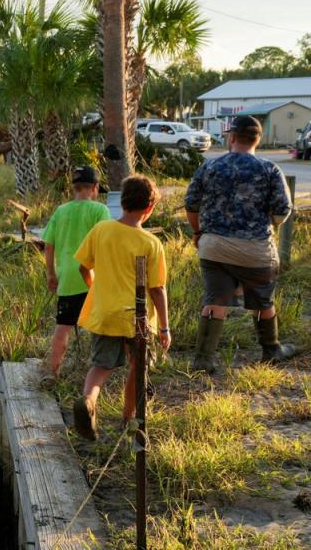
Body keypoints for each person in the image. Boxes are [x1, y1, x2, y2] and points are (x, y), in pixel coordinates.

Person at [184, 115, 295, 374]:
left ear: (231, 137)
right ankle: (271, 349)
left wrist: (199, 231)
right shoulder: (270, 169)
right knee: (262, 300)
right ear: (258, 139)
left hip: (214, 246)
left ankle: (203, 359)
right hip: (255, 250)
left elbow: (191, 203)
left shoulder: (209, 167)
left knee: (215, 299)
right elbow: (282, 212)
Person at [72, 175, 171, 440]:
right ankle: (129, 419)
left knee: (101, 367)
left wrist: (96, 287)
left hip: (105, 313)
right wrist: (164, 326)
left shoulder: (101, 230)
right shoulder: (151, 243)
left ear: (122, 202)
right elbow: (157, 289)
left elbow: (83, 267)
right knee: (138, 367)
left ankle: (89, 401)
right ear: (149, 208)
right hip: (137, 318)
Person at [40, 166, 112, 388]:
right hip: (91, 278)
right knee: (100, 327)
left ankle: (52, 373)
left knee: (62, 328)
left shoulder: (61, 211)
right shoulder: (100, 210)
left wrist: (51, 273)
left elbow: (48, 245)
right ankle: (99, 371)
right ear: (95, 188)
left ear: (74, 187)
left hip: (67, 279)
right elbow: (105, 244)